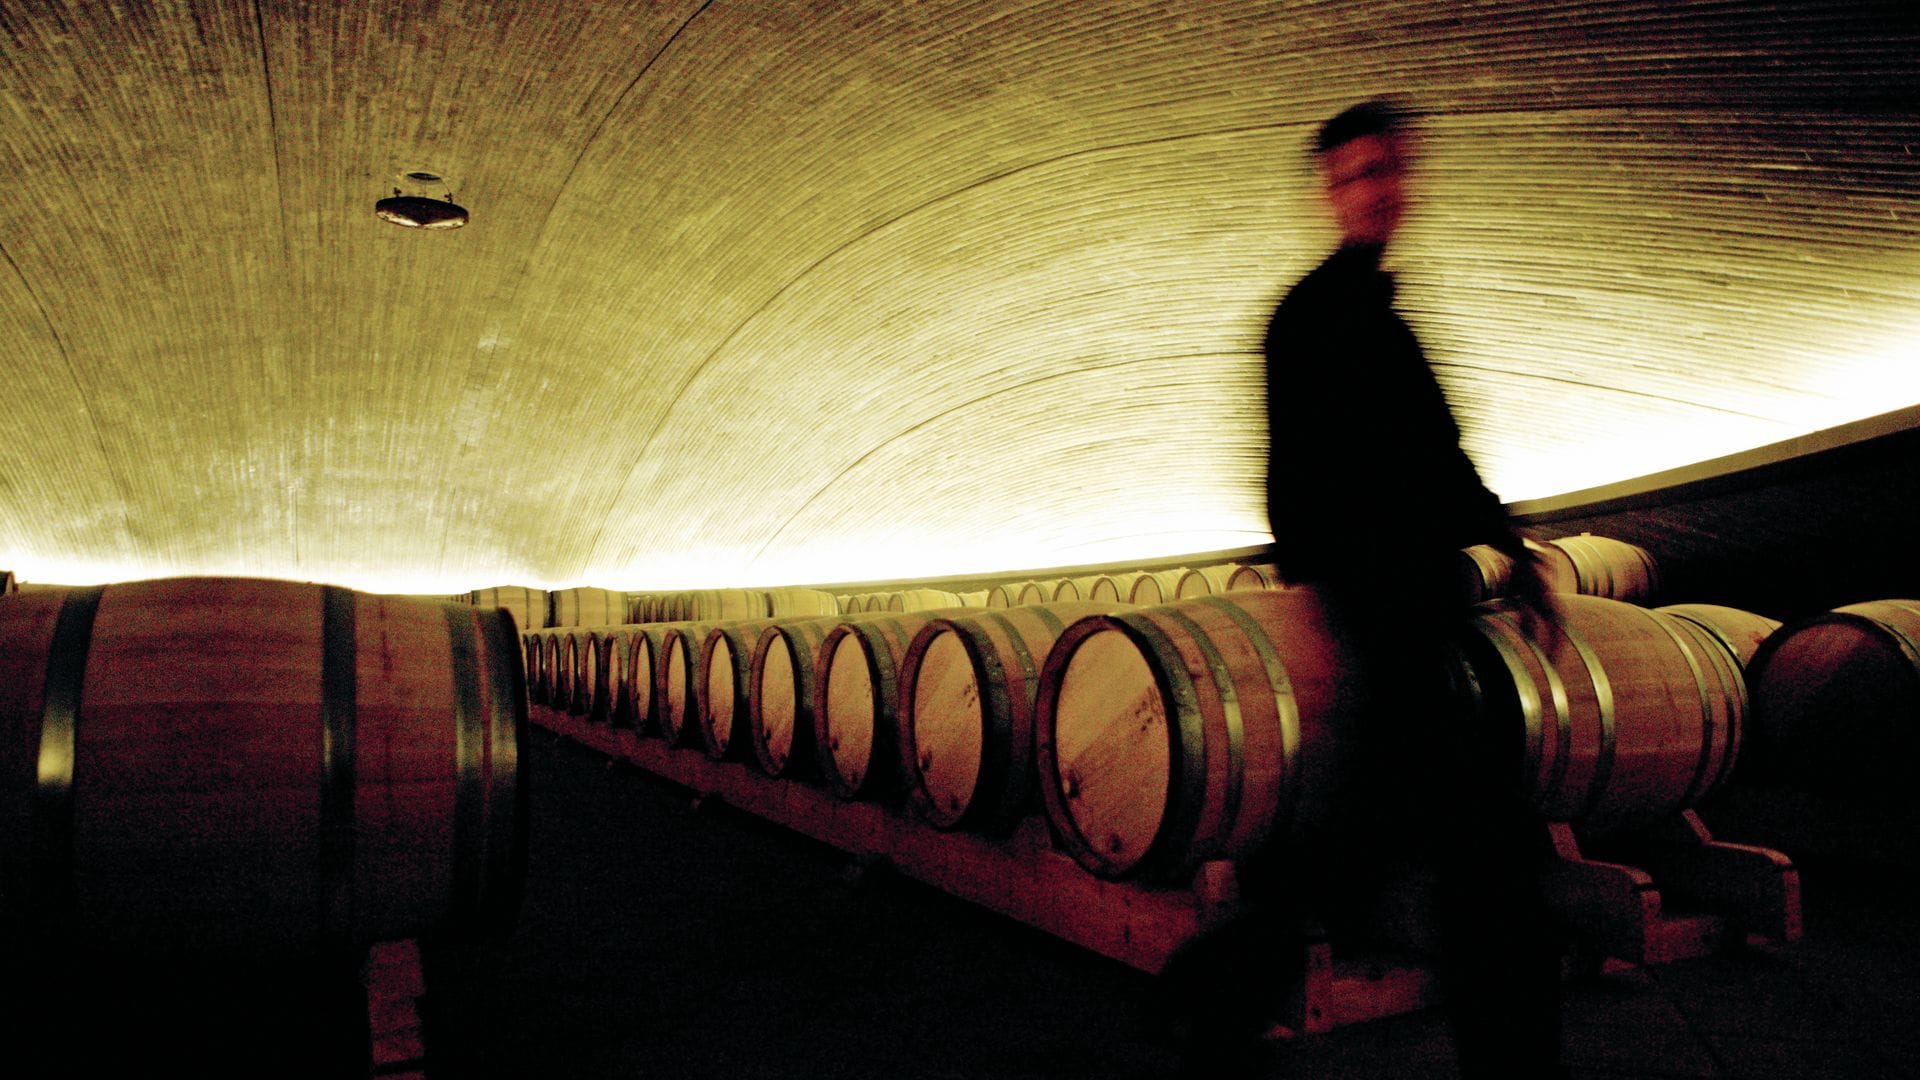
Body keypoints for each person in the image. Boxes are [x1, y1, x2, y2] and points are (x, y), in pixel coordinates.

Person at [1157, 99, 1566, 1078]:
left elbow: (1443, 459)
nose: (1377, 191)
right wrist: (1324, 606)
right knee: (1458, 861)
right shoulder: (1309, 320)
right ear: (1326, 195)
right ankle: (1209, 1003)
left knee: (1373, 855)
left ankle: (1212, 1004)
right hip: (1382, 616)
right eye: (1354, 177)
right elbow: (1289, 484)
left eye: (1388, 170)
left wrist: (1510, 545)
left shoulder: (1387, 318)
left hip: (1424, 612)